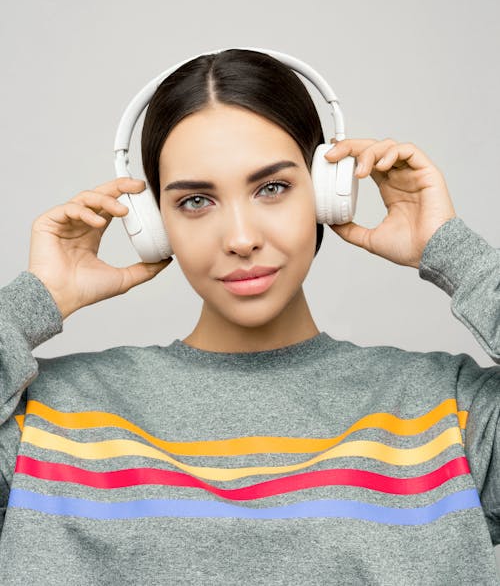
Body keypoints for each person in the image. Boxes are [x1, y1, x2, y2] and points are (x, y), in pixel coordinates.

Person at [0, 49, 499, 585]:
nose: (240, 238)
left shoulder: (448, 411)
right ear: (153, 224)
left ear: (329, 195)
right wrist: (35, 299)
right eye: (195, 201)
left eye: (273, 188)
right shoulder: (47, 420)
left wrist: (455, 253)